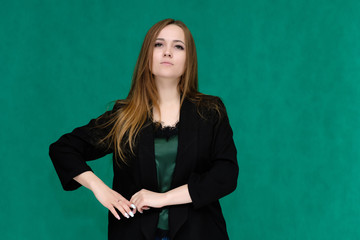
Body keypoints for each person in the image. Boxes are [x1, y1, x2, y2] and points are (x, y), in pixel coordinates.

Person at [49, 18, 238, 240]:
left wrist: (162, 198)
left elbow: (225, 175)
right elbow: (63, 149)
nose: (167, 52)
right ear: (146, 57)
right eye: (159, 44)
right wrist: (100, 189)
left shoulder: (210, 111)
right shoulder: (124, 115)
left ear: (189, 60)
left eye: (178, 46)